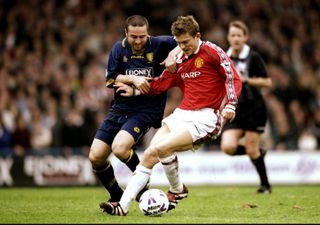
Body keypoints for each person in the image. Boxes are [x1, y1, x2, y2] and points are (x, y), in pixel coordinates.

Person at [99, 15, 242, 216]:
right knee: (149, 154)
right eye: (179, 43)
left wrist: (231, 105)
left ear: (197, 36)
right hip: (182, 114)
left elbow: (232, 77)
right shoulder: (179, 59)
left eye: (186, 42)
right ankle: (123, 206)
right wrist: (136, 91)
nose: (183, 47)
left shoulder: (212, 52)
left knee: (161, 147)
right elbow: (161, 83)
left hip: (206, 118)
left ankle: (176, 190)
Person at [88, 15, 180, 204]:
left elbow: (186, 40)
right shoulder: (118, 48)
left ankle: (142, 184)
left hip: (146, 109)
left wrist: (172, 54)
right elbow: (110, 79)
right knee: (96, 157)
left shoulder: (160, 44)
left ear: (148, 33)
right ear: (126, 34)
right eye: (133, 37)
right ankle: (116, 194)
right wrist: (134, 79)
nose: (138, 41)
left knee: (120, 149)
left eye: (142, 37)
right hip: (120, 108)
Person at [220, 20, 272, 194]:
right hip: (236, 109)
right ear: (228, 37)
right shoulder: (223, 58)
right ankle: (258, 152)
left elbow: (267, 82)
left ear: (245, 37)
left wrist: (247, 80)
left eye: (239, 35)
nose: (235, 39)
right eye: (232, 35)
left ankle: (265, 185)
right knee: (228, 147)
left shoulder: (254, 57)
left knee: (251, 148)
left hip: (255, 108)